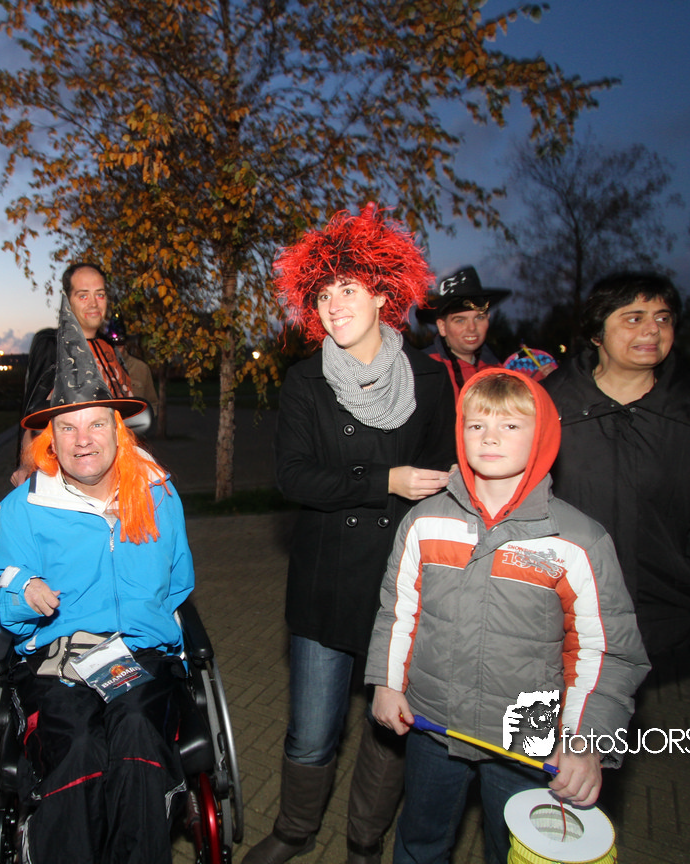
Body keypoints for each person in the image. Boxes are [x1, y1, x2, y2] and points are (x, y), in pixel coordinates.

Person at [244, 204, 457, 864]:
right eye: (323, 295)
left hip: (402, 583)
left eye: (348, 289)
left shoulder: (429, 378)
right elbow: (294, 477)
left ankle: (365, 838)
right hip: (325, 582)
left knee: (389, 726)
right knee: (313, 729)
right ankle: (295, 830)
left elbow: (445, 480)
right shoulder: (305, 381)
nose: (333, 305)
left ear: (384, 293)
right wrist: (385, 480)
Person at [366, 369, 649, 864]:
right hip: (434, 722)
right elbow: (398, 610)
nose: (490, 437)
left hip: (526, 737)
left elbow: (606, 653)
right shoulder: (424, 521)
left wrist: (585, 743)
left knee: (513, 848)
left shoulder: (577, 541)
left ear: (542, 437)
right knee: (420, 839)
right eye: (476, 425)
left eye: (510, 425)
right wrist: (387, 685)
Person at [0, 294, 195, 864]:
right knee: (78, 744)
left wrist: (148, 624)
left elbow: (179, 582)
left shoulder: (158, 496)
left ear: (118, 430)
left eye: (97, 423)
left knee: (137, 734)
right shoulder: (23, 508)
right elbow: (2, 595)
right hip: (57, 661)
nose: (84, 439)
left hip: (142, 656)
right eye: (68, 426)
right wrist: (22, 592)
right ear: (49, 440)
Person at [541, 272, 690, 660]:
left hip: (659, 614)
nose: (653, 330)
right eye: (634, 318)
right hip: (557, 613)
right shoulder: (545, 406)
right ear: (597, 333)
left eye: (663, 318)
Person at [14, 261, 140, 484]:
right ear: (68, 300)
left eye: (99, 294)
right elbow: (34, 414)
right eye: (83, 295)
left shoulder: (110, 348)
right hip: (67, 474)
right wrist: (27, 466)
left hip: (119, 472)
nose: (93, 303)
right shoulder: (53, 343)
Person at [418, 265, 528, 397]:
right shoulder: (423, 370)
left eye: (479, 318)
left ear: (488, 318)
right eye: (460, 320)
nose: (472, 328)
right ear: (442, 326)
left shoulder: (498, 371)